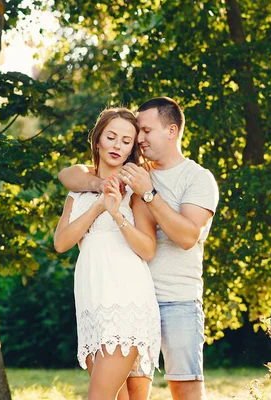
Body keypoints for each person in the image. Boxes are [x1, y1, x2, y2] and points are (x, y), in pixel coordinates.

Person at [59, 97, 220, 400]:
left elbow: (187, 237)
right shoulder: (129, 171)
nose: (140, 139)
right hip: (118, 297)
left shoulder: (196, 178)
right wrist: (99, 185)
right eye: (138, 134)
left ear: (171, 131)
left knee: (184, 389)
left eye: (145, 131)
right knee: (130, 394)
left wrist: (148, 194)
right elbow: (69, 175)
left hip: (175, 299)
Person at [54, 107, 161, 400]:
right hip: (91, 306)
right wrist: (98, 206)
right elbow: (61, 243)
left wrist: (116, 215)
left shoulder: (134, 191)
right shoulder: (77, 192)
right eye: (111, 137)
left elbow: (148, 249)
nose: (117, 145)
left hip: (125, 304)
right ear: (97, 140)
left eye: (126, 141)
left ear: (131, 149)